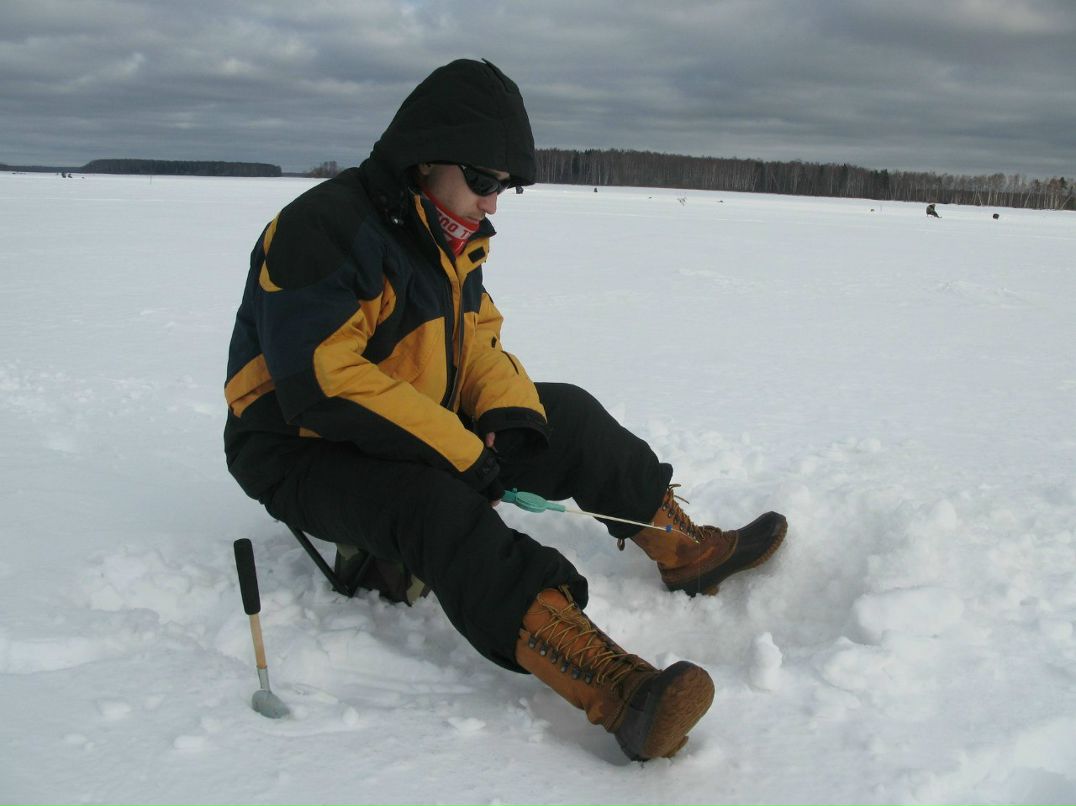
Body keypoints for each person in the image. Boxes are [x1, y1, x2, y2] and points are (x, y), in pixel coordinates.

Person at [224, 58, 787, 762]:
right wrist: (462, 455)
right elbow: (323, 381)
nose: (494, 203)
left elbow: (477, 339)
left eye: (505, 187)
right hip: (295, 446)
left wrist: (509, 417)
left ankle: (685, 550)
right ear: (427, 159)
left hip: (406, 413)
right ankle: (619, 691)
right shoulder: (325, 228)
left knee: (567, 416)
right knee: (433, 503)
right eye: (485, 181)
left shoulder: (450, 233)